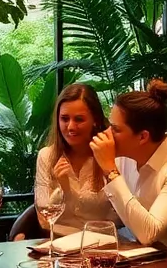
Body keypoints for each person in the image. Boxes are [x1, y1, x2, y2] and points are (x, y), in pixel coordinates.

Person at [89, 80, 167, 262]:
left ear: (143, 136)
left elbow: (148, 233)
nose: (107, 134)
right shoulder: (124, 157)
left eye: (115, 129)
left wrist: (110, 171)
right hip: (142, 258)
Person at [31, 84, 118, 237]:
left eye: (79, 119)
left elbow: (119, 216)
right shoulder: (46, 156)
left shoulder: (110, 155)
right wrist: (63, 191)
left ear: (95, 120)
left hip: (101, 245)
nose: (71, 126)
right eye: (64, 119)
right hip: (57, 244)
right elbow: (44, 218)